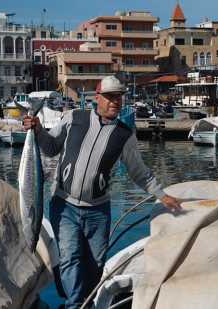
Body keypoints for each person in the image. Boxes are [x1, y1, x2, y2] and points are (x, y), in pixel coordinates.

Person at [23, 76, 181, 308]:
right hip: (64, 204)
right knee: (70, 259)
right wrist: (36, 129)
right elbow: (50, 147)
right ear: (97, 97)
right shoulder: (73, 117)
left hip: (98, 211)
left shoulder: (124, 135)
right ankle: (75, 305)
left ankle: (84, 302)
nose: (115, 101)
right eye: (109, 97)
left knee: (96, 264)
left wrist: (162, 195)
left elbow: (139, 172)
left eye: (118, 97)